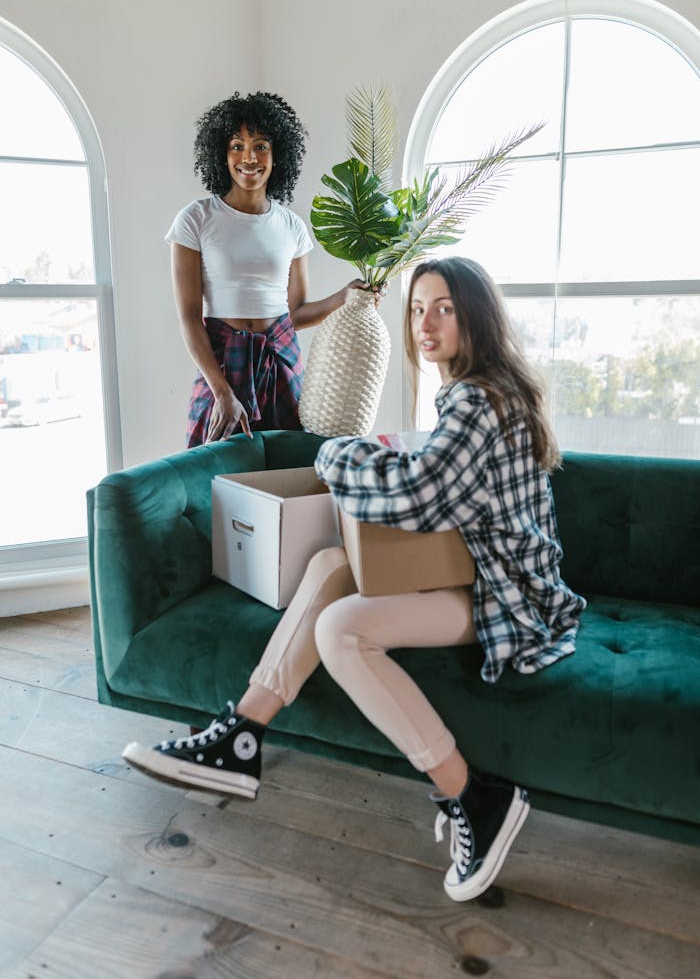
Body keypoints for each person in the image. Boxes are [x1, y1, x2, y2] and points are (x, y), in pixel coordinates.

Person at [123, 256, 586, 903]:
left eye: (444, 307)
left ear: (475, 315)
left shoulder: (480, 399)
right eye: (418, 307)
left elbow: (418, 500)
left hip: (505, 595)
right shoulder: (480, 391)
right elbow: (436, 485)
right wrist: (370, 456)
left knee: (343, 629)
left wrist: (338, 453)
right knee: (329, 564)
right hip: (478, 569)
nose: (426, 322)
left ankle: (475, 796)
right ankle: (243, 734)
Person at [166, 90, 359, 446]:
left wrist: (346, 297)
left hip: (281, 365)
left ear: (277, 154)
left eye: (260, 145)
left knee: (286, 476)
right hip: (221, 367)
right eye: (237, 146)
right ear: (221, 155)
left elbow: (295, 314)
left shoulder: (292, 226)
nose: (249, 157)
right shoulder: (196, 218)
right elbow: (190, 318)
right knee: (213, 478)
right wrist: (222, 393)